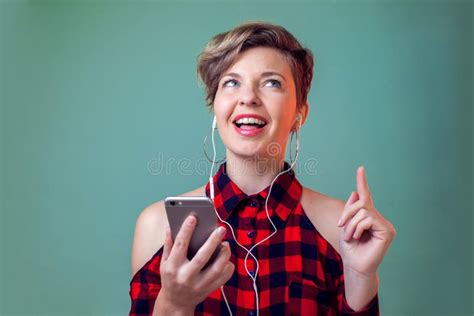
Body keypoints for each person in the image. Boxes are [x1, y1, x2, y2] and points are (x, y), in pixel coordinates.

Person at [129, 21, 396, 315]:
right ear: (215, 107)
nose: (248, 98)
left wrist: (361, 278)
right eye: (231, 82)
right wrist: (175, 304)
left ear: (299, 114)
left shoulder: (341, 229)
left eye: (272, 83)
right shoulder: (157, 226)